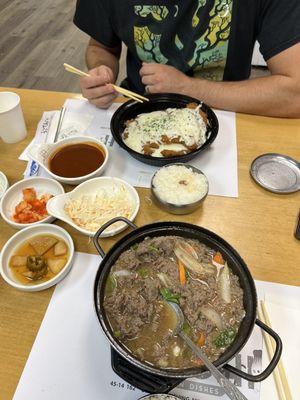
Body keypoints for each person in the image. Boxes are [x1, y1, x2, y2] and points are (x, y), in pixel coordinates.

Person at [73, 0, 300, 118]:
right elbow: (101, 46)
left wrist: (188, 88)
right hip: (138, 109)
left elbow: (295, 94)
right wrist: (100, 71)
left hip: (229, 112)